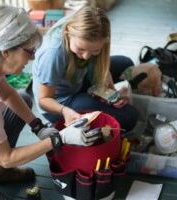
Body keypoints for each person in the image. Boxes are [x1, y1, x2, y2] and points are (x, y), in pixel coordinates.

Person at [0, 5, 100, 200]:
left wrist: (37, 126)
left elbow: (7, 94)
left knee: (23, 98)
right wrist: (60, 138)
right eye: (29, 51)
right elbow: (7, 158)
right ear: (6, 51)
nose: (32, 57)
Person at [32, 4, 139, 134]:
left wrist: (112, 94)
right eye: (81, 49)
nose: (87, 56)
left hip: (79, 79)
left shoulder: (91, 29)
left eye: (95, 50)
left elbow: (101, 66)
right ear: (68, 33)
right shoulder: (53, 52)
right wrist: (65, 111)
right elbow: (43, 101)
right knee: (130, 117)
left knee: (126, 62)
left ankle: (88, 97)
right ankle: (75, 108)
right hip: (59, 102)